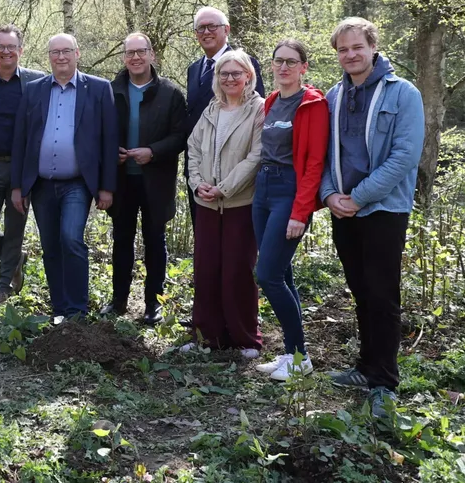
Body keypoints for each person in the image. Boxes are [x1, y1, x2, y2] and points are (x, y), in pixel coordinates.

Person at [319, 18, 423, 418]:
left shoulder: (403, 94)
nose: (350, 55)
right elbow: (326, 152)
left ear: (373, 47)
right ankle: (365, 368)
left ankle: (384, 381)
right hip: (343, 210)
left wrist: (359, 197)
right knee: (361, 291)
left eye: (356, 47)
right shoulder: (333, 97)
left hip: (383, 209)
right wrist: (330, 194)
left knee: (382, 295)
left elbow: (404, 156)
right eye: (343, 50)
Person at [10, 33, 117, 322]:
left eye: (66, 51)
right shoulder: (33, 91)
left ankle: (77, 310)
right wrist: (18, 186)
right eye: (55, 52)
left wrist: (106, 188)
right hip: (42, 184)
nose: (60, 57)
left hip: (77, 184)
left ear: (77, 54)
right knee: (50, 246)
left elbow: (109, 141)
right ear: (49, 57)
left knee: (71, 239)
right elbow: (21, 140)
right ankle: (59, 308)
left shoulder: (98, 89)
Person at [250, 39, 328, 381]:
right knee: (283, 273)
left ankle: (301, 358)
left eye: (291, 62)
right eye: (278, 61)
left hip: (289, 192)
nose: (284, 67)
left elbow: (314, 163)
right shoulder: (271, 101)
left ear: (303, 67)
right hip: (263, 190)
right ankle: (292, 354)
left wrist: (301, 211)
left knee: (266, 275)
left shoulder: (313, 104)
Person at [102, 32, 188, 324]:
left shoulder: (171, 93)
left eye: (141, 52)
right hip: (121, 180)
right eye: (129, 53)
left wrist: (153, 151)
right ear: (124, 58)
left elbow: (180, 136)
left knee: (155, 241)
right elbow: (97, 132)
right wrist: (109, 152)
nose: (135, 58)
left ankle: (154, 303)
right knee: (121, 241)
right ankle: (119, 301)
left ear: (152, 55)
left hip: (156, 180)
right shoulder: (110, 91)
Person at [184, 49, 264, 356]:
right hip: (206, 204)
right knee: (205, 270)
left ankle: (245, 338)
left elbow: (256, 156)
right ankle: (207, 336)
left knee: (237, 271)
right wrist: (197, 183)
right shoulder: (211, 109)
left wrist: (224, 189)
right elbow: (192, 148)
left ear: (248, 76)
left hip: (239, 204)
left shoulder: (258, 109)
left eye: (236, 73)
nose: (229, 79)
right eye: (223, 74)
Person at [0, 24, 44, 305]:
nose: (5, 51)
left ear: (20, 50)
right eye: (0, 46)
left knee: (15, 229)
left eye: (11, 47)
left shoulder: (37, 82)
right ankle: (15, 259)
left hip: (22, 169)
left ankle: (2, 288)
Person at [185, 7, 264, 224]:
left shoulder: (245, 63)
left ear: (226, 29)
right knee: (204, 241)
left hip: (237, 183)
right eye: (201, 27)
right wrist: (196, 178)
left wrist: (226, 184)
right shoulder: (194, 69)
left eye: (212, 26)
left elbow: (254, 120)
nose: (206, 32)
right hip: (200, 176)